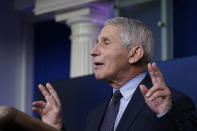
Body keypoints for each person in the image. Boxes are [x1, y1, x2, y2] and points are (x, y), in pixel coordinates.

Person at [32, 17, 197, 131]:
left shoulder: (173, 104)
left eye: (106, 42)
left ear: (134, 54)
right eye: (96, 43)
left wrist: (164, 114)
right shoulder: (95, 115)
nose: (93, 51)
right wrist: (55, 127)